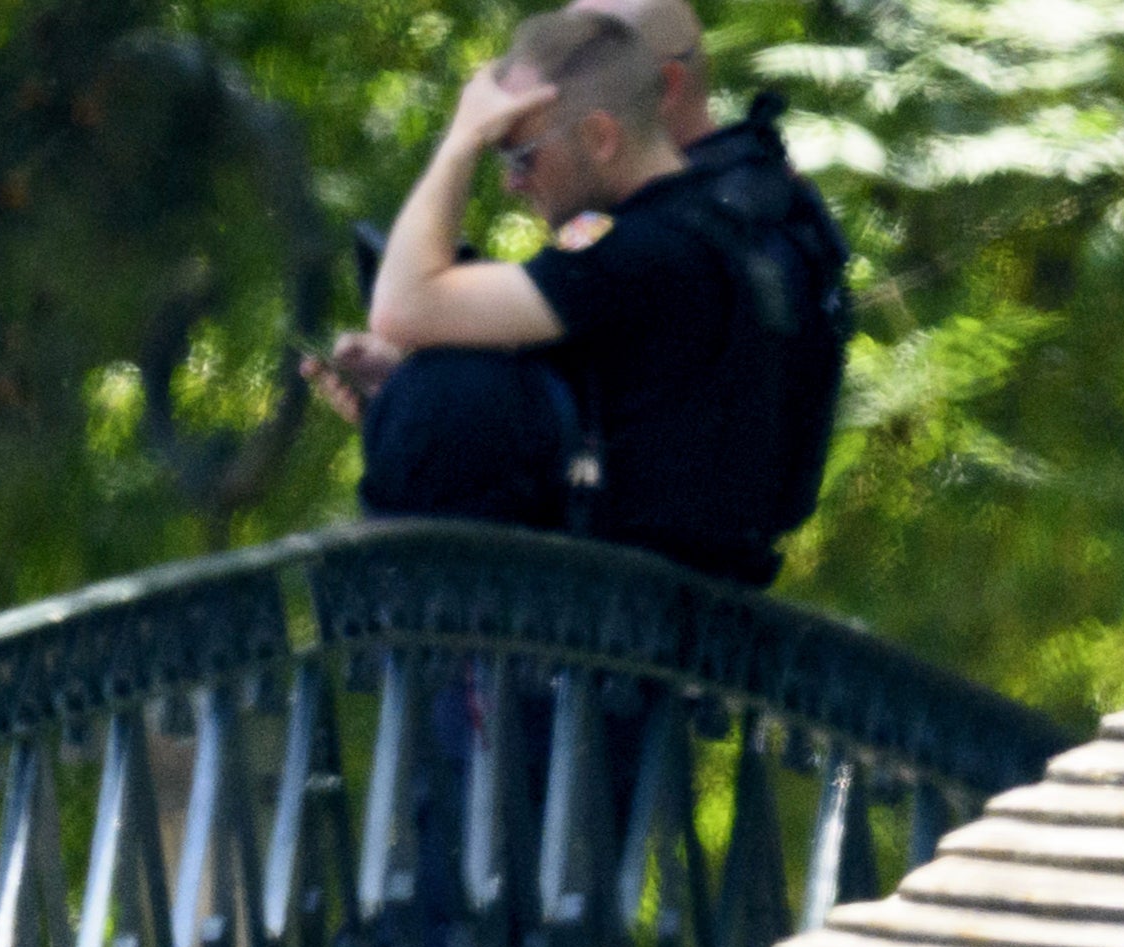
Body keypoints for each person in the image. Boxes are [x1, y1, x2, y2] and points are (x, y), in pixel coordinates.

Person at [349, 3, 848, 587]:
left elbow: (400, 308)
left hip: (625, 637)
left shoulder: (642, 249)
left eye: (521, 153)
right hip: (671, 623)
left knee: (444, 393)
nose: (512, 182)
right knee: (443, 393)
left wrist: (461, 140)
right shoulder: (701, 231)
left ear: (599, 137)